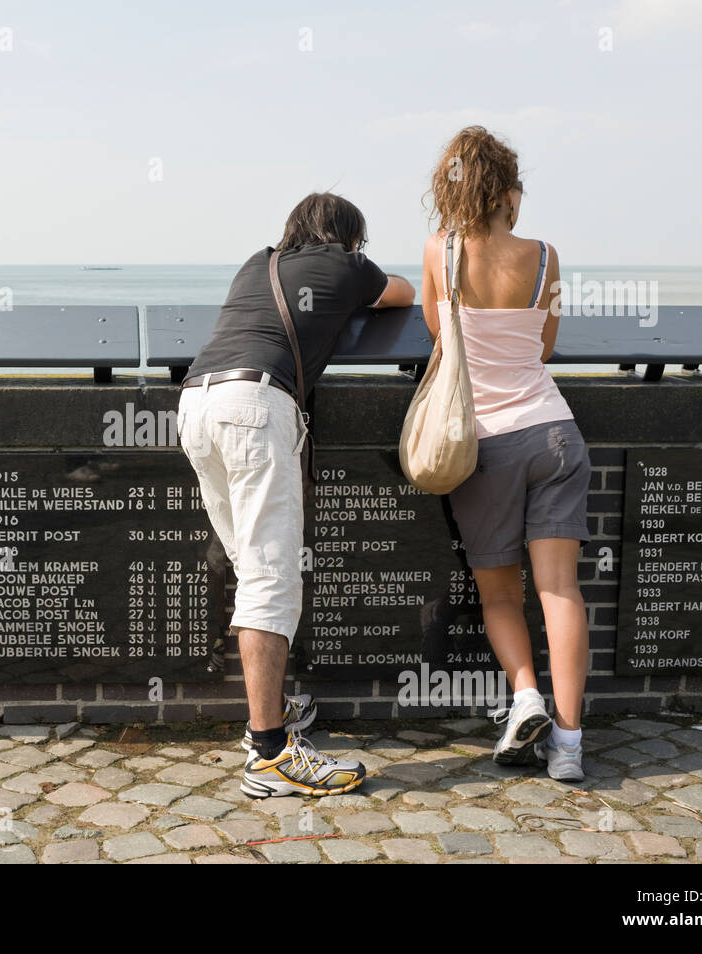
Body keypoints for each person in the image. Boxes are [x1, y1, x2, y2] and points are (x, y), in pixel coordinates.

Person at [177, 192, 415, 797]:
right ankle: (269, 753)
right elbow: (403, 293)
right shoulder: (347, 263)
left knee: (250, 568)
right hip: (255, 406)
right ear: (348, 237)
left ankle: (272, 715)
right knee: (269, 577)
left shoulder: (256, 263)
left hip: (197, 403)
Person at [420, 126, 591, 781]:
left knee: (500, 595)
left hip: (484, 442)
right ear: (510, 192)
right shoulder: (546, 256)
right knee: (560, 591)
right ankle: (570, 749)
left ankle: (525, 697)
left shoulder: (441, 249)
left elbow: (443, 337)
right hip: (554, 431)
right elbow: (543, 347)